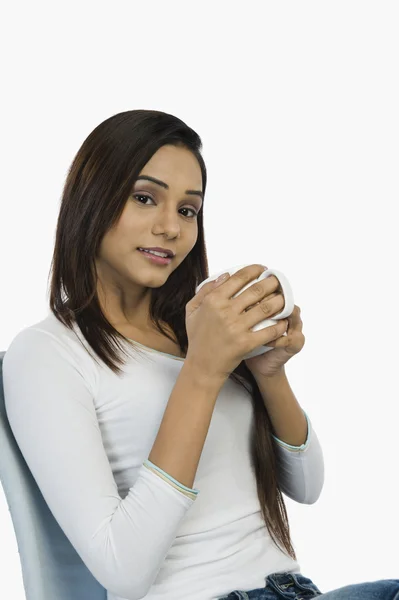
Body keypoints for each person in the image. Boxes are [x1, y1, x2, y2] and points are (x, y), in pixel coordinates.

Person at [2, 109, 398, 600]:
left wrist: (267, 374)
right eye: (145, 198)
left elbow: (307, 485)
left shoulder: (194, 331)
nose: (171, 227)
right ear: (91, 201)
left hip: (295, 589)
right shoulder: (46, 355)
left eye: (188, 210)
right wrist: (203, 372)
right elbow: (121, 570)